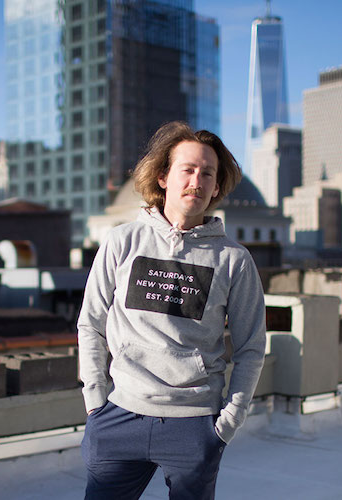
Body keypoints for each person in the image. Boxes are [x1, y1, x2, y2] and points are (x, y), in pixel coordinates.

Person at [77, 121, 266, 499]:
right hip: (118, 415)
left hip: (194, 424)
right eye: (188, 169)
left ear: (216, 186)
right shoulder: (121, 241)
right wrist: (96, 401)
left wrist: (228, 422)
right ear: (163, 177)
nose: (197, 180)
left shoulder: (233, 260)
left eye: (207, 173)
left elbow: (251, 346)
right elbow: (91, 324)